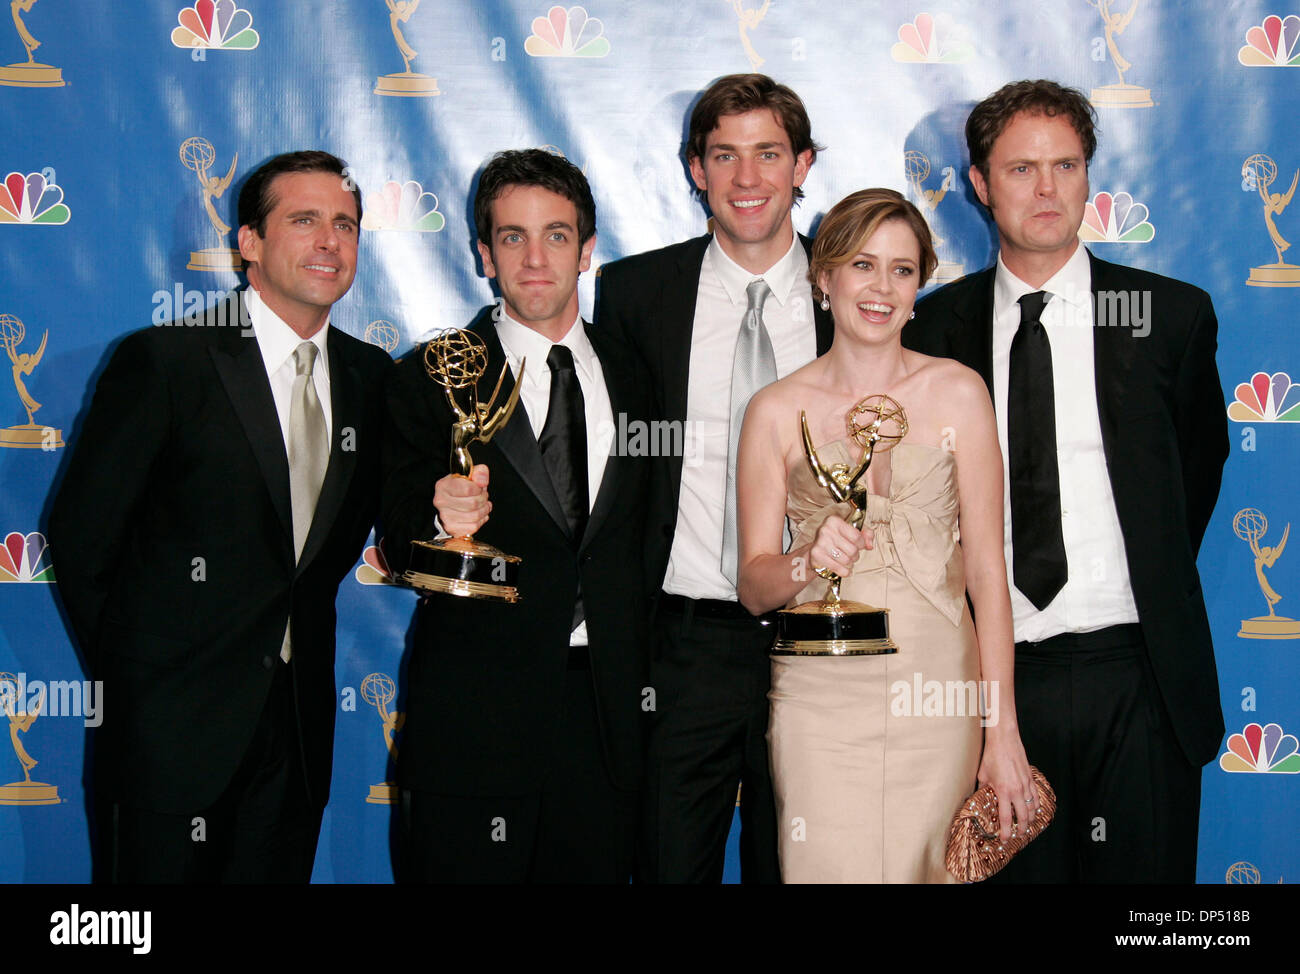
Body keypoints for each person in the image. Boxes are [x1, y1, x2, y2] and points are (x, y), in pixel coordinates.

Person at [904, 80, 1228, 882]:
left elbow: (1194, 474)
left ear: (1089, 176)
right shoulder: (935, 328)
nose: (1046, 190)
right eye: (1021, 170)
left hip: (1141, 676)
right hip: (995, 683)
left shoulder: (1166, 316)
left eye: (1066, 166)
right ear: (979, 185)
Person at [49, 150, 394, 883]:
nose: (329, 241)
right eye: (303, 221)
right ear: (249, 244)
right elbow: (82, 541)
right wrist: (145, 687)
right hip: (166, 745)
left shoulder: (373, 379)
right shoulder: (166, 362)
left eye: (345, 224)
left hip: (296, 745)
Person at [736, 189, 1032, 882]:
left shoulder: (960, 392)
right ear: (824, 278)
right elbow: (753, 587)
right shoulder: (776, 411)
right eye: (863, 265)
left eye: (903, 270)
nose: (882, 287)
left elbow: (989, 573)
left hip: (941, 694)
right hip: (821, 693)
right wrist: (808, 561)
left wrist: (1003, 729)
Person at [383, 149, 650, 883]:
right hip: (475, 715)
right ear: (483, 253)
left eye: (557, 236)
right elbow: (394, 534)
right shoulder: (434, 372)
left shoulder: (639, 375)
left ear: (588, 250)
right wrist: (440, 521)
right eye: (512, 238)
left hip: (606, 719)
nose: (535, 259)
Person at [597, 73, 833, 884]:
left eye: (768, 154)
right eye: (723, 155)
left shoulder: (859, 296)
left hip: (819, 638)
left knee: (800, 868)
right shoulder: (634, 294)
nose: (746, 179)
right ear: (694, 168)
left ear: (802, 165)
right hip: (683, 642)